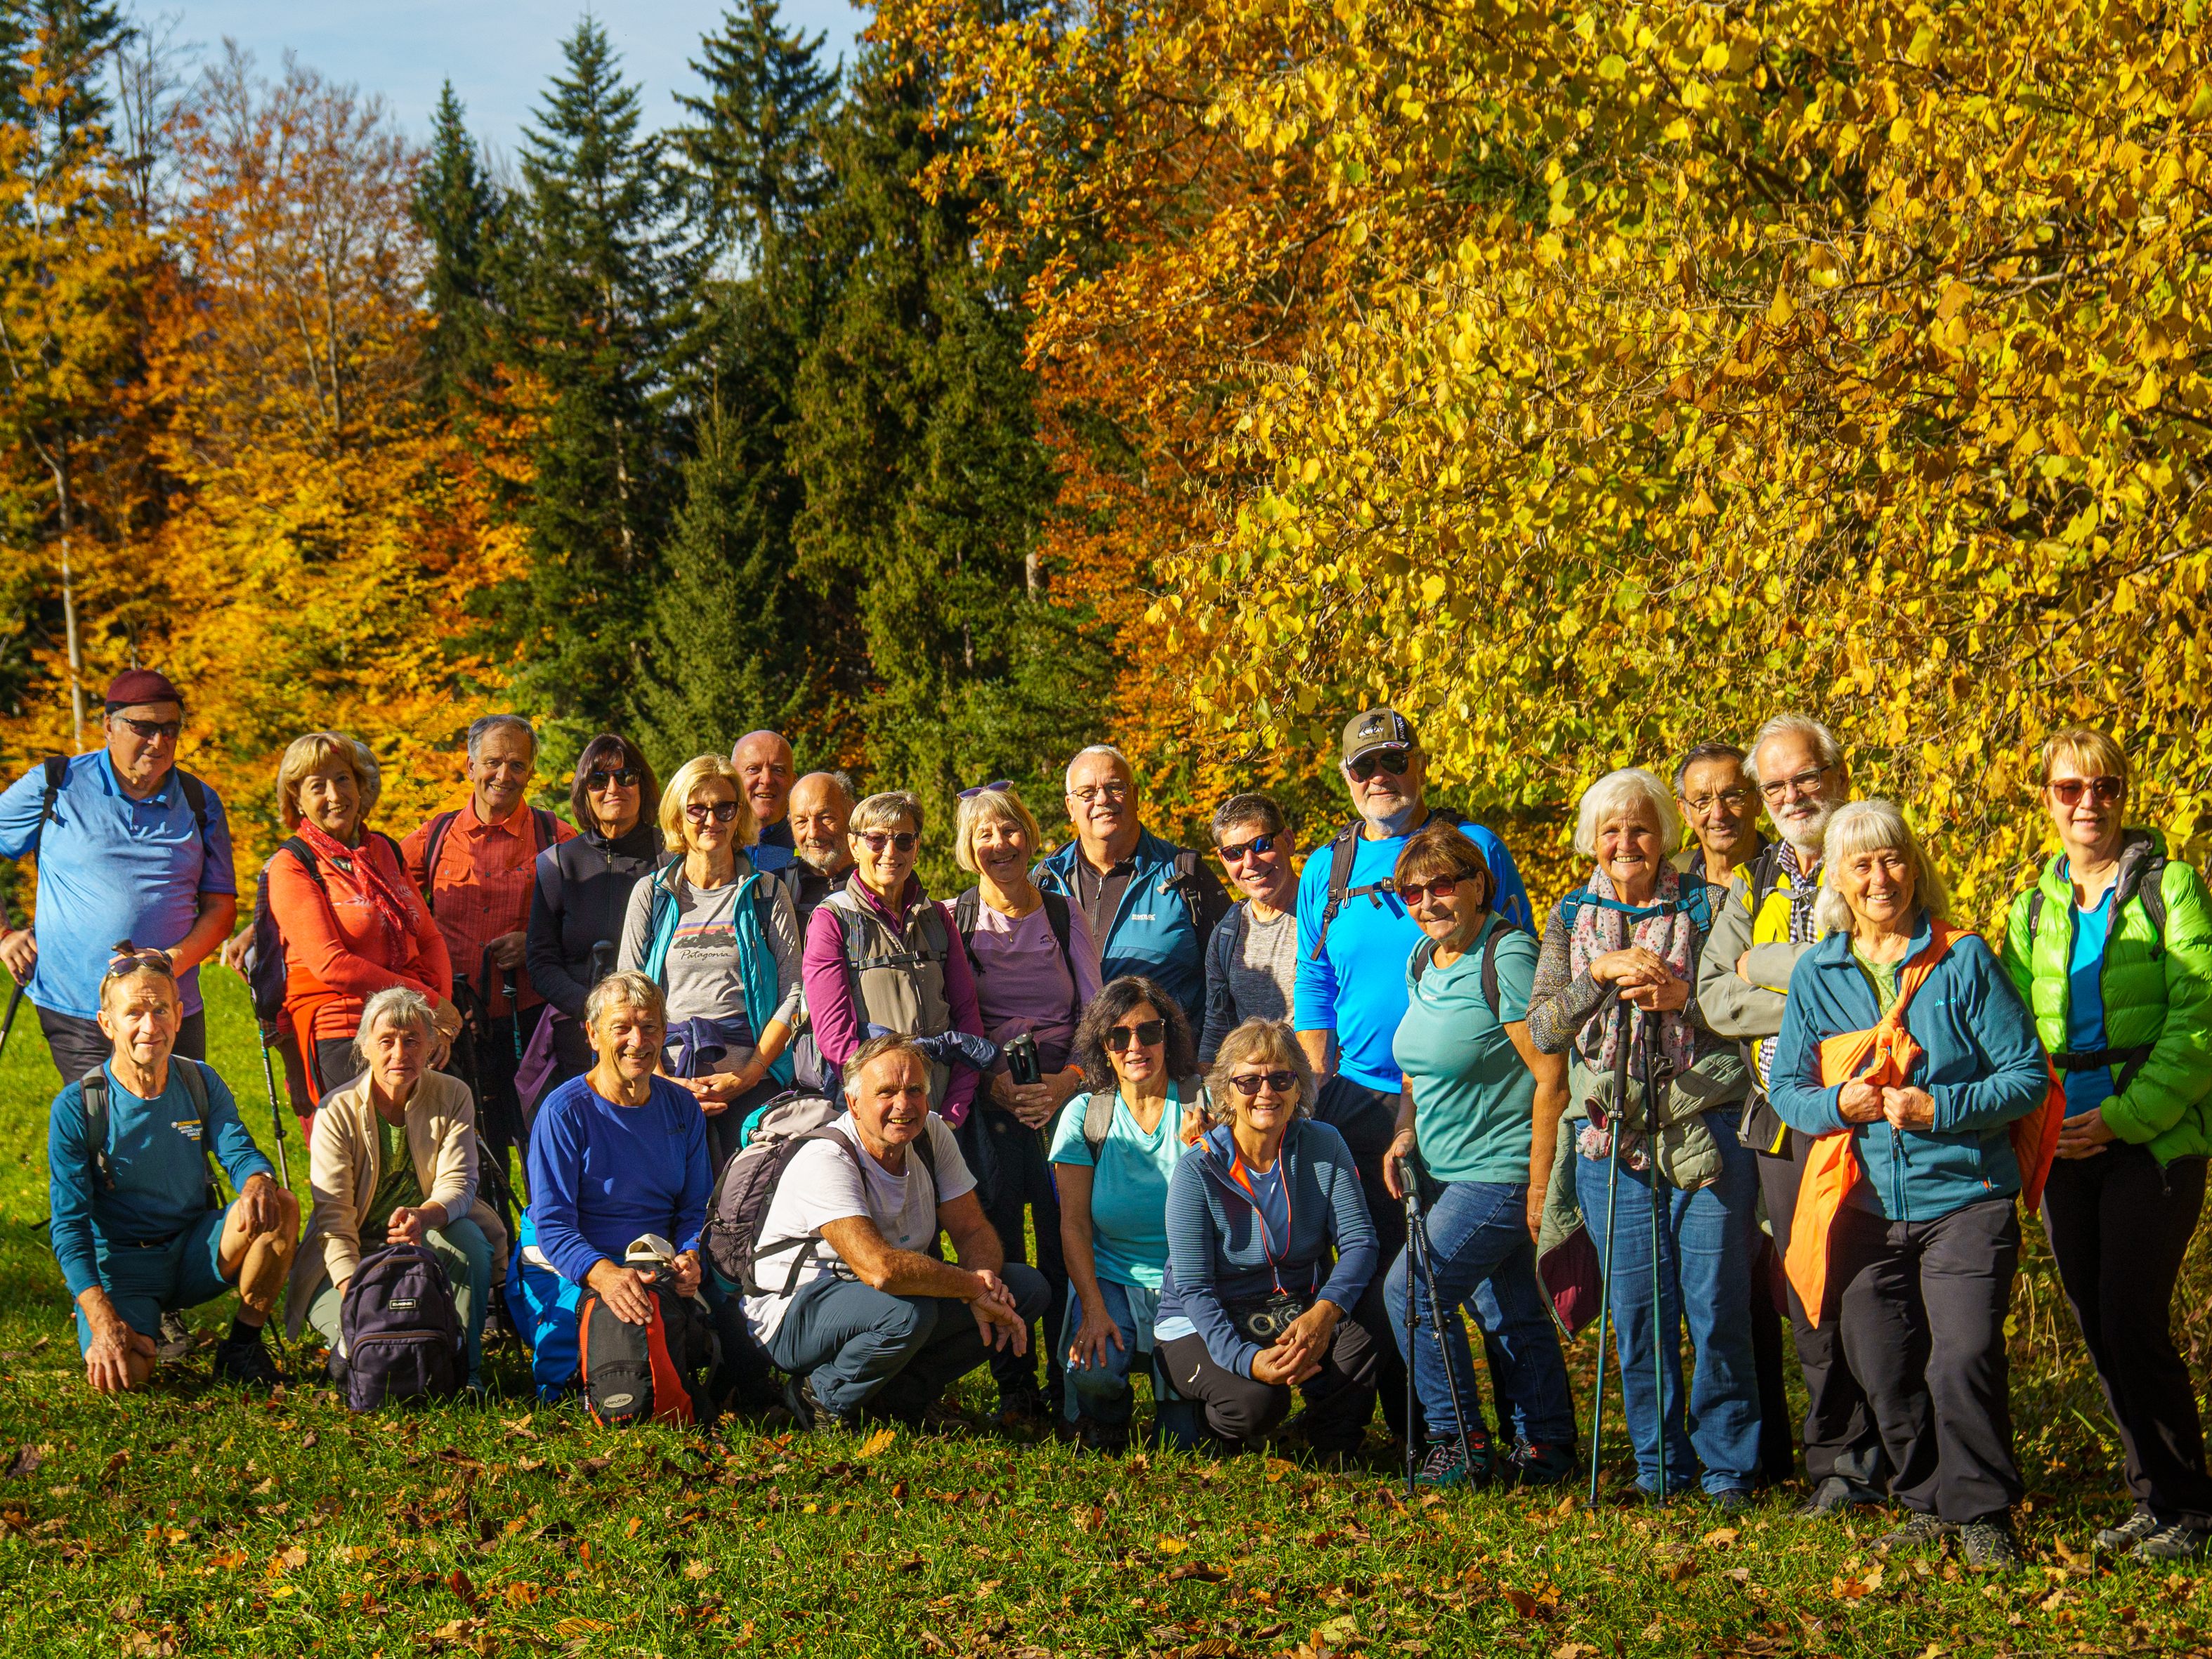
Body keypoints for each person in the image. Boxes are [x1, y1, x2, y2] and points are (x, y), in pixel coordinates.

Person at [1767, 800, 2050, 1571]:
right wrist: (1835, 1105)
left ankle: (1983, 1510)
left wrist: (1940, 1107)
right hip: (1860, 1204)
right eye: (1859, 863)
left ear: (1913, 865)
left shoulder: (1962, 962)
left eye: (1890, 857)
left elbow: (2026, 1077)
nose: (1878, 876)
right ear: (1837, 878)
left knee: (1959, 1355)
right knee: (1882, 1363)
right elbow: (1786, 1090)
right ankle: (1925, 1498)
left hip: (1964, 1196)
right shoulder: (1819, 972)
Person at [2001, 728, 2212, 1562]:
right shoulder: (2029, 907)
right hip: (2059, 1142)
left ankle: (2191, 1508)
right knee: (2094, 1320)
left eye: (2104, 787)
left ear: (2122, 796)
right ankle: (2148, 1498)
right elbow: (2013, 1027)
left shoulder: (2174, 888)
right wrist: (2039, 1124)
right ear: (2045, 800)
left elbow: (2197, 1023)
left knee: (2130, 1313)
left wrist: (2121, 1118)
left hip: (2151, 1140)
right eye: (2067, 789)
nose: (2087, 803)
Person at [1526, 768, 1760, 1505]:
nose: (1625, 843)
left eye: (1640, 828)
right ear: (1591, 839)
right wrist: (1596, 974)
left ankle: (1728, 1471)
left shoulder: (1710, 903)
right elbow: (1540, 1028)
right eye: (1611, 830)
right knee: (1636, 1312)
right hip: (1609, 1139)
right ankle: (1662, 1471)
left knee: (1715, 1306)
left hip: (1703, 1127)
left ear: (1664, 834)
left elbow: (1748, 1008)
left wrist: (1681, 1000)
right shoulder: (1568, 913)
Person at [1696, 712, 1886, 1516]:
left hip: (1869, 1113)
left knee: (1878, 1292)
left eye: (1801, 778)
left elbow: (1872, 975)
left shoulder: (1873, 851)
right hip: (1779, 1119)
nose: (1787, 795)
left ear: (1836, 775)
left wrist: (1768, 968)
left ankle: (1899, 1458)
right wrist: (1796, 986)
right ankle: (1836, 1466)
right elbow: (1712, 994)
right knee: (1807, 1293)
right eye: (1772, 785)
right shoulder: (1756, 876)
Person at [1381, 822, 1576, 1488]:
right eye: (1413, 891)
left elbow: (1551, 1073)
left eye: (1443, 885)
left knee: (1412, 1289)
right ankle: (1545, 1446)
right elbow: (1416, 1069)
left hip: (1498, 1171)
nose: (1429, 901)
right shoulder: (1421, 960)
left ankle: (1457, 1441)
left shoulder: (1507, 955)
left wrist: (1538, 1184)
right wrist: (1404, 1131)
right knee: (1509, 1308)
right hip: (1439, 1170)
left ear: (1477, 885)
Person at [743, 1034, 1050, 1430]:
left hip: (879, 1303)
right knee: (908, 1313)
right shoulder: (827, 1156)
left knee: (1024, 1289)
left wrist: (985, 1279)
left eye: (915, 1090)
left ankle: (899, 1399)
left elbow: (973, 1229)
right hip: (792, 1314)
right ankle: (818, 1397)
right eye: (886, 1092)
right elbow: (881, 1270)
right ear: (853, 1103)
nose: (903, 1105)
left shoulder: (932, 1134)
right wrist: (970, 1289)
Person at [47, 950, 298, 1391]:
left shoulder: (200, 1080)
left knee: (279, 1205)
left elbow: (238, 1150)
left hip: (194, 1249)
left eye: (161, 1009)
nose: (150, 1026)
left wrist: (258, 1178)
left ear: (180, 1016)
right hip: (122, 1264)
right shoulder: (78, 1106)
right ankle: (140, 1329)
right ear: (107, 1023)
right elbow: (69, 1225)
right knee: (123, 1377)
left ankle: (240, 1347)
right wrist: (100, 1313)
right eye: (134, 1013)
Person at [1157, 1018, 1391, 1457]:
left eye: (1280, 1078)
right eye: (1248, 1081)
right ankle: (1217, 1427)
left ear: (1299, 1087)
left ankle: (1332, 1447)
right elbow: (1194, 1288)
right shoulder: (1197, 1169)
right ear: (1227, 1093)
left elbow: (1360, 1242)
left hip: (1293, 1306)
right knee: (1257, 1403)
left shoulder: (1325, 1143)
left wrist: (1324, 1313)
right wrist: (1247, 1361)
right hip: (1206, 1317)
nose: (1266, 1092)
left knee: (1371, 1313)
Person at [950, 780, 1104, 1427]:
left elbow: (1097, 1018)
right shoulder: (953, 918)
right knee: (999, 1244)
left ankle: (1071, 1371)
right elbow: (955, 1016)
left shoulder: (1064, 914)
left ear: (1029, 836)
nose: (999, 844)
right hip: (993, 1104)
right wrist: (997, 1086)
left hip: (1064, 1099)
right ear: (967, 848)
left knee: (1068, 1239)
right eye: (984, 834)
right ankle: (1016, 1387)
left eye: (1009, 829)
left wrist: (1066, 1082)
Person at [0, 669, 238, 1083]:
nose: (159, 741)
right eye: (143, 727)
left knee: (179, 1133)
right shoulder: (57, 784)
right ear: (109, 726)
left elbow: (221, 908)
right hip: (78, 1008)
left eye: (170, 729)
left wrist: (169, 963)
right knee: (104, 1131)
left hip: (169, 1007)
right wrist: (5, 935)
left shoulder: (200, 802)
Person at [285, 987, 506, 1391]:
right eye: (386, 1041)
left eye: (412, 1041)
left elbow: (459, 1181)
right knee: (377, 1334)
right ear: (365, 1047)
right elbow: (333, 1216)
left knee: (469, 1241)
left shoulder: (452, 1094)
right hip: (350, 1254)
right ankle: (363, 1354)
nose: (399, 1053)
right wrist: (358, 1296)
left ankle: (466, 1372)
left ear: (431, 1048)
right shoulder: (336, 1110)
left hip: (424, 1242)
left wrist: (425, 1216)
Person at [403, 715, 575, 1197]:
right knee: (468, 1150)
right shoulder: (433, 838)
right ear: (470, 764)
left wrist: (537, 939)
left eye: (517, 764)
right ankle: (489, 1249)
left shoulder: (555, 837)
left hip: (532, 1021)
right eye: (493, 762)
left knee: (541, 1141)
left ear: (532, 771)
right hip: (456, 1024)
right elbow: (379, 891)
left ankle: (545, 1243)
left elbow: (590, 917)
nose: (504, 775)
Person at [522, 972, 712, 1392]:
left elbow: (696, 1207)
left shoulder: (682, 1107)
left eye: (649, 1027)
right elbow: (552, 1223)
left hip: (654, 1259)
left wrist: (689, 1255)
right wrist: (602, 1273)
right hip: (576, 1260)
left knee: (729, 1344)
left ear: (664, 1032)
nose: (637, 1041)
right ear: (592, 1034)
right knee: (598, 1357)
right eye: (620, 1027)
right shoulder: (563, 1112)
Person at [618, 756, 802, 1171]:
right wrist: (663, 1080)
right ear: (678, 817)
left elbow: (795, 991)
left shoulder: (767, 893)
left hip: (752, 1082)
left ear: (739, 815)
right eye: (697, 809)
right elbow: (625, 995)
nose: (711, 820)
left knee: (750, 1203)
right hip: (662, 1076)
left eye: (724, 808)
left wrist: (751, 1073)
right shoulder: (651, 894)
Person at [1050, 976, 1203, 1450]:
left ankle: (1177, 1411)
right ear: (1102, 1047)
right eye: (1118, 1036)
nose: (1135, 1046)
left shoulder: (1205, 1107)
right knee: (1094, 1372)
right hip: (1112, 1275)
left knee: (1185, 1441)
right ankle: (1105, 1418)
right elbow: (1072, 1225)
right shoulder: (1084, 1116)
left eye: (1148, 1032)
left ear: (1168, 1037)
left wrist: (1215, 1150)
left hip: (1189, 1280)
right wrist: (1092, 1309)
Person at [266, 732, 461, 1100]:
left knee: (438, 1142)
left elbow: (429, 938)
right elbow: (332, 965)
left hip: (410, 1021)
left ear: (360, 786)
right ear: (298, 799)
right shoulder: (293, 864)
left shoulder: (384, 850)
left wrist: (441, 1018)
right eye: (317, 786)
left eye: (343, 779)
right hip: (344, 1027)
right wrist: (430, 1003)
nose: (335, 796)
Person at [802, 790, 988, 1120]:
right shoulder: (832, 920)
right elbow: (836, 1041)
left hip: (944, 1110)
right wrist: (889, 1110)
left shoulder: (937, 917)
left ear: (916, 848)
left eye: (903, 840)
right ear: (854, 846)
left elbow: (968, 1019)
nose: (890, 852)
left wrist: (956, 1108)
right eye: (875, 839)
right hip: (875, 1116)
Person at [1034, 745, 1229, 1028]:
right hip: (1070, 1068)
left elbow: (1228, 983)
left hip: (1166, 1064)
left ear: (1135, 796)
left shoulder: (1185, 876)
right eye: (1087, 792)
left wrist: (1207, 1061)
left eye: (1115, 787)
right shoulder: (1045, 882)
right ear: (1070, 807)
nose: (1102, 799)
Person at [526, 733, 662, 1087]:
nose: (613, 787)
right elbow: (541, 961)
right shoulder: (558, 865)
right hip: (579, 1035)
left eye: (626, 776)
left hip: (659, 1036)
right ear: (584, 792)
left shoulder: (672, 858)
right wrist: (594, 1010)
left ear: (643, 785)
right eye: (599, 780)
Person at [1199, 794, 1300, 1064]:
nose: (1250, 862)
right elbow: (1217, 1026)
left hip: (1329, 1088)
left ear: (1288, 841)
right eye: (1234, 853)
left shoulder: (1322, 916)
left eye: (1261, 844)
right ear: (1223, 860)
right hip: (1259, 1092)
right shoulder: (1227, 934)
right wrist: (1204, 1093)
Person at [1673, 743, 1765, 882]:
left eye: (1732, 796)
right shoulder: (1674, 877)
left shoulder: (1790, 875)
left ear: (1758, 800)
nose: (1718, 813)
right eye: (1703, 800)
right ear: (1686, 812)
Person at [783, 771, 858, 924]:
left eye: (825, 818)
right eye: (802, 822)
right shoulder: (780, 889)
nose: (813, 833)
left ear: (851, 812)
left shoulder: (879, 880)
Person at [731, 730, 797, 858]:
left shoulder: (812, 845)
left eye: (778, 770)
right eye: (753, 769)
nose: (767, 780)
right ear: (732, 778)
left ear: (794, 782)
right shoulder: (711, 842)